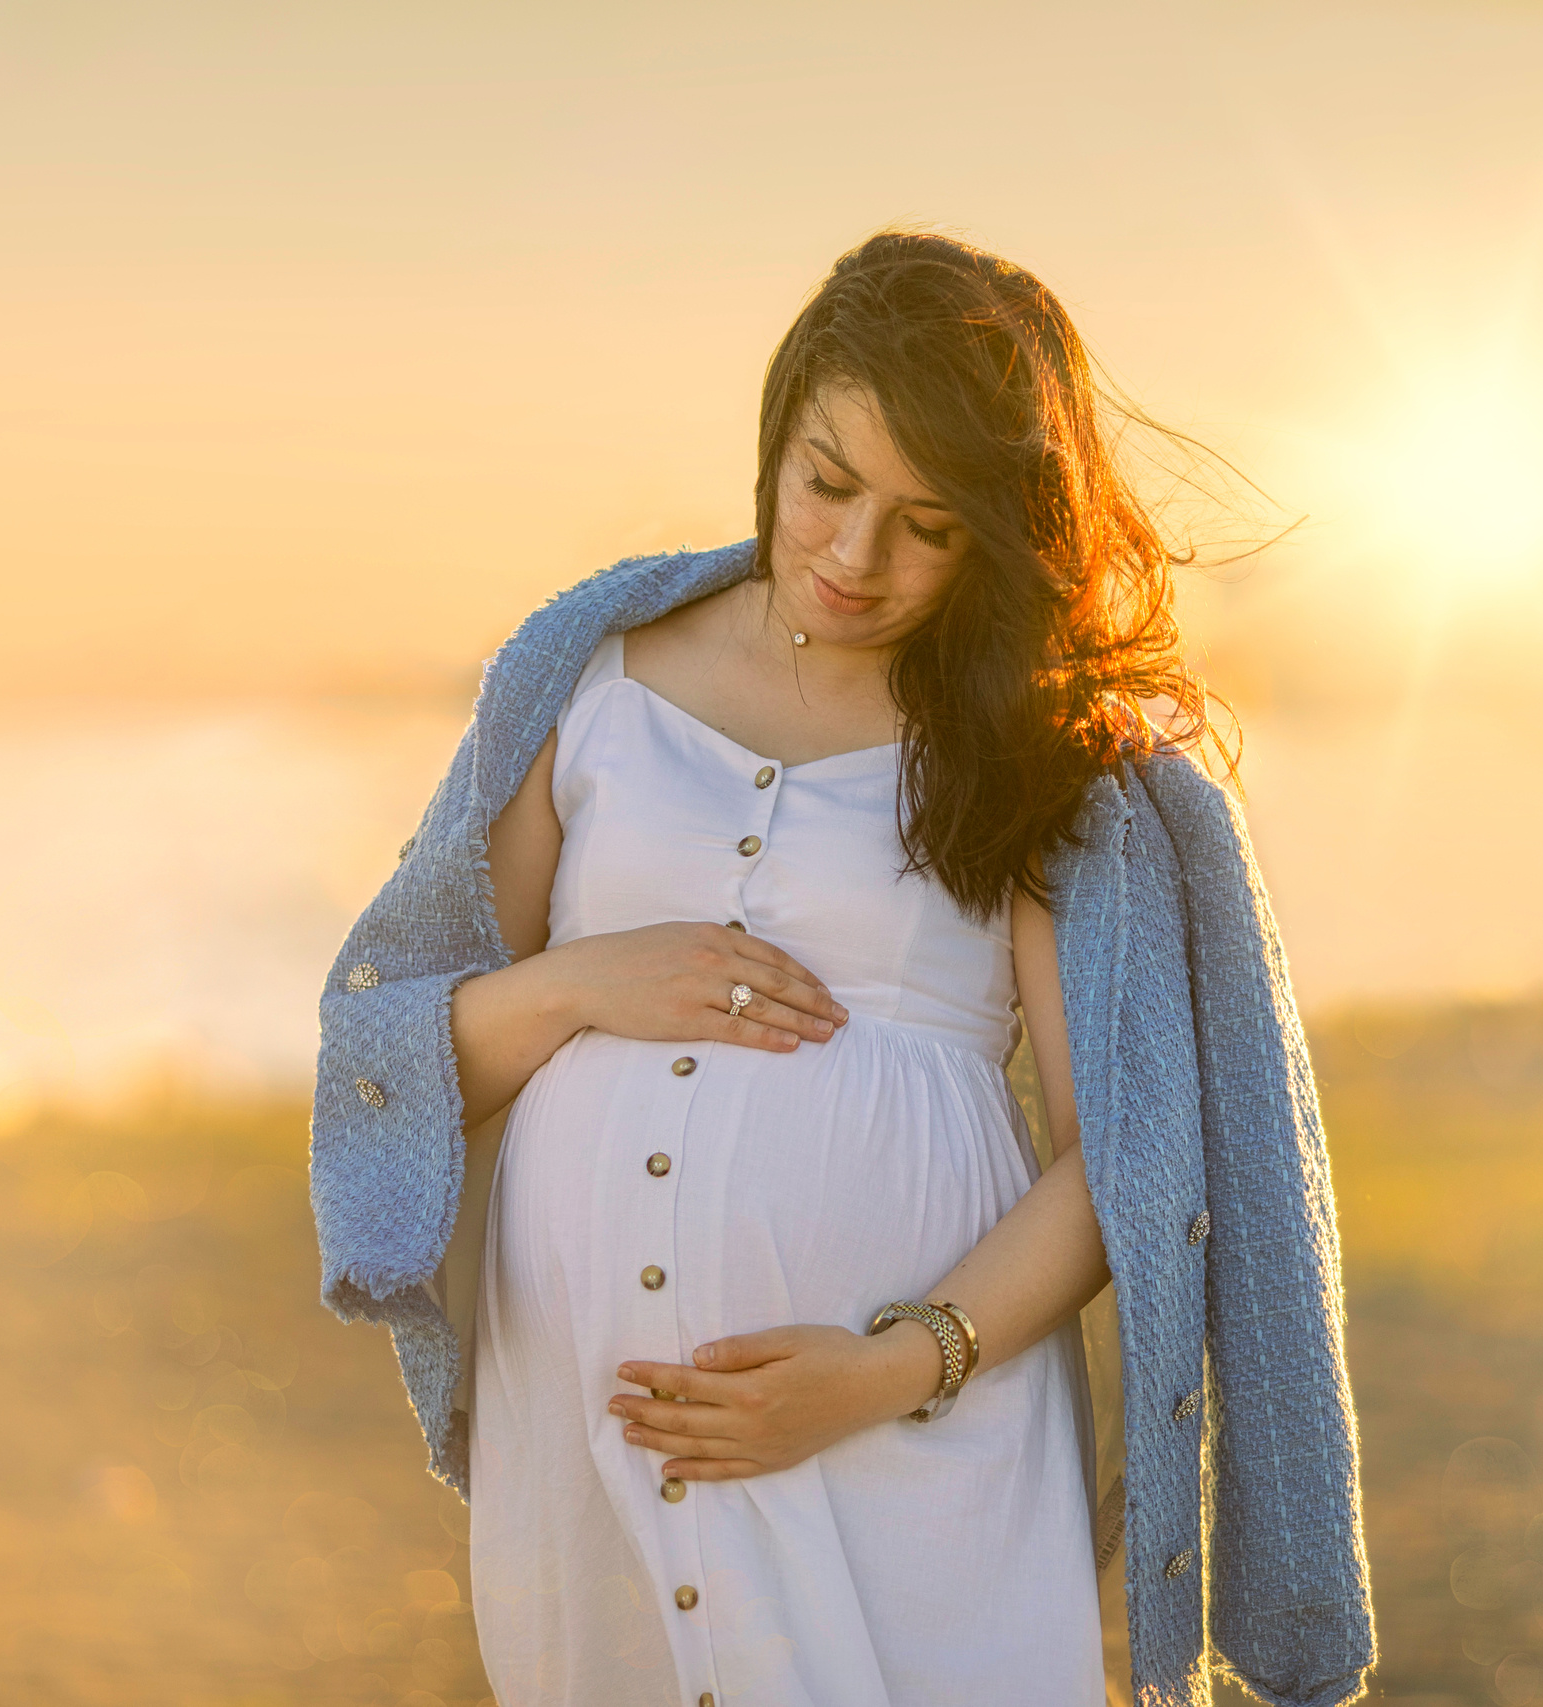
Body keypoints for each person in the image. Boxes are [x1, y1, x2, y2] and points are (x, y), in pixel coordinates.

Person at [310, 231, 1374, 1707]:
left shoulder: (1040, 758)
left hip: (915, 1443)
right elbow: (403, 1059)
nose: (856, 557)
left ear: (1001, 532)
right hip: (589, 1436)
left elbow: (1121, 1165)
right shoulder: (592, 673)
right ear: (776, 430)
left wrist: (881, 1372)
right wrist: (579, 985)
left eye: (929, 525)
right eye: (829, 483)